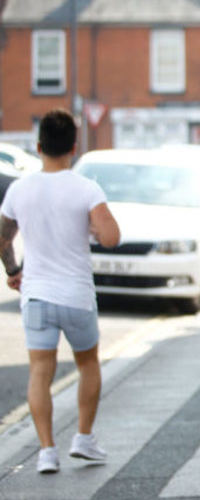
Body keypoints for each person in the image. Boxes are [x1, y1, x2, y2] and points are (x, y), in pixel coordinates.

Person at [0, 108, 121, 474]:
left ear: (39, 146)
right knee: (87, 364)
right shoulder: (86, 188)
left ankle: (46, 452)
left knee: (40, 371)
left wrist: (13, 270)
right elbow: (112, 238)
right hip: (76, 297)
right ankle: (83, 439)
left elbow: (3, 238)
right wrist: (94, 228)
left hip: (36, 295)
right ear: (74, 146)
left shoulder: (20, 189)